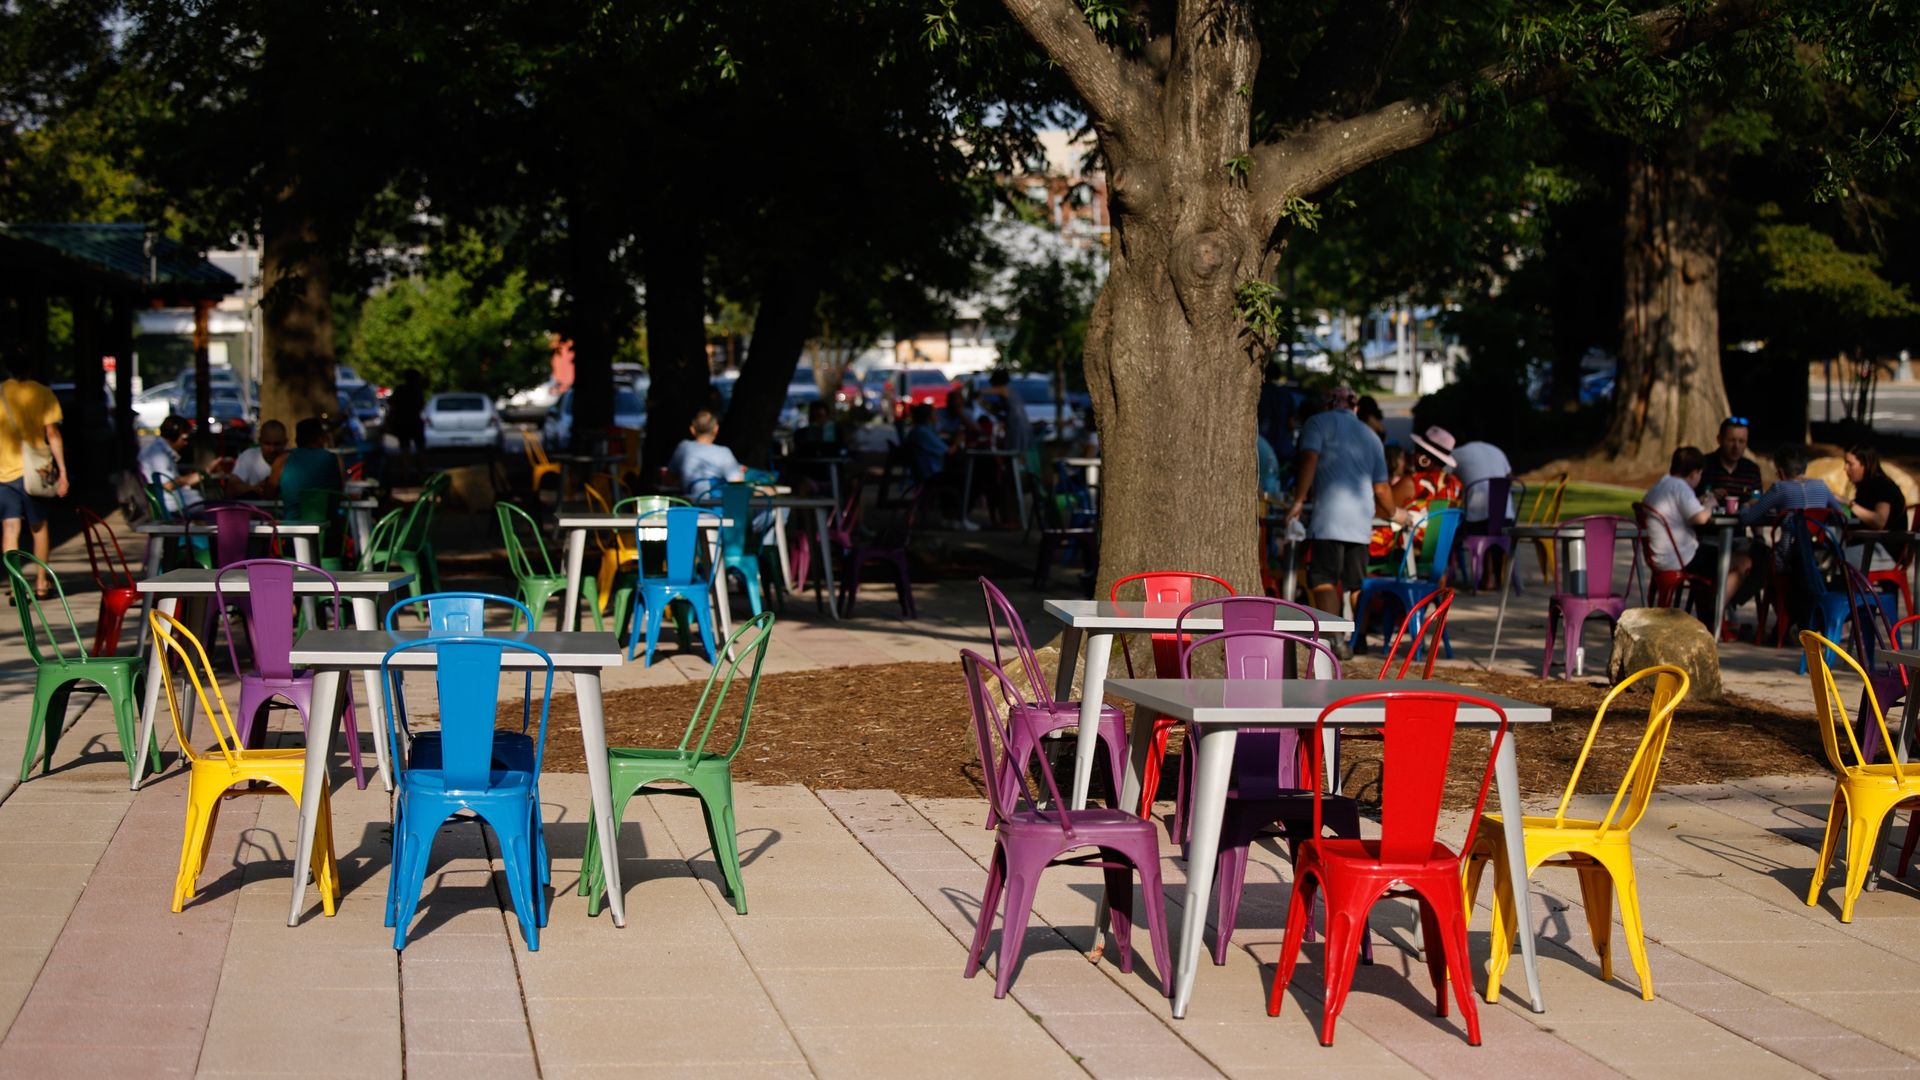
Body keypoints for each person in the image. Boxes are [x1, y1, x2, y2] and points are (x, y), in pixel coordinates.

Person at [1286, 386, 1399, 625]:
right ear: (1355, 408)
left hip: (1329, 519)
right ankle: (1360, 638)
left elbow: (1310, 458)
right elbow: (1381, 487)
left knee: (1323, 579)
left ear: (1327, 404)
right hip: (1361, 521)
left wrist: (1299, 499)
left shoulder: (1317, 423)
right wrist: (1395, 512)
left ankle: (1336, 639)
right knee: (1356, 584)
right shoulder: (1370, 436)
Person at [0, 353, 69, 598]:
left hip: (4, 472)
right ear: (30, 368)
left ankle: (16, 584)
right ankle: (41, 583)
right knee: (38, 528)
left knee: (10, 529)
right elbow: (52, 434)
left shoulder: (1, 392)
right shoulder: (43, 393)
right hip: (36, 472)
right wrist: (63, 471)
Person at [1645, 446, 1750, 605]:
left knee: (1718, 555)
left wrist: (1700, 501)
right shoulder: (1681, 487)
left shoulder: (1661, 484)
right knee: (1743, 562)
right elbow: (1700, 518)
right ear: (1694, 473)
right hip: (1681, 557)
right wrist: (1710, 504)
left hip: (1659, 556)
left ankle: (1712, 609)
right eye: (1700, 474)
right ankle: (1716, 613)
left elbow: (1680, 508)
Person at [1739, 444, 1847, 525]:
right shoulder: (1822, 486)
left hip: (1789, 552)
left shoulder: (1780, 488)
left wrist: (1746, 505)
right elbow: (1842, 518)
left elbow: (1747, 519)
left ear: (1781, 472)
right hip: (1817, 550)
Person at [1845, 444, 1907, 570]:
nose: (1845, 469)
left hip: (1885, 551)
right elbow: (1860, 522)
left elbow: (1879, 521)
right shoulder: (1865, 488)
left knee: (1830, 558)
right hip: (1870, 546)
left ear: (1865, 465)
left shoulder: (1882, 486)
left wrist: (1850, 504)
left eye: (1850, 464)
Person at [268, 417, 344, 513]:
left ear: (297, 440)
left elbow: (268, 494)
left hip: (292, 525)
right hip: (328, 525)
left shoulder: (282, 460)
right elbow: (341, 492)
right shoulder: (335, 459)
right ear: (321, 439)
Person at [667, 409, 747, 496]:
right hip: (715, 507)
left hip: (689, 506)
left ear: (692, 430)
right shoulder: (724, 453)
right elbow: (738, 485)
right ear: (716, 429)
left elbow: (669, 479)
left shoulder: (683, 447)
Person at [138, 414, 204, 514]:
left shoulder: (159, 450)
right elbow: (167, 485)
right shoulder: (158, 454)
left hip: (172, 502)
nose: (186, 443)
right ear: (174, 435)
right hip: (169, 506)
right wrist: (191, 479)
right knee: (207, 506)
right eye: (184, 438)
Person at [1447, 431, 1514, 528]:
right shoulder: (1496, 450)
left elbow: (1443, 478)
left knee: (1450, 523)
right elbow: (1509, 477)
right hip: (1505, 516)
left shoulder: (1456, 454)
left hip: (1474, 519)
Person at [1701, 416, 1763, 501]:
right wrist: (1708, 497)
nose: (1736, 446)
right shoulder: (1702, 465)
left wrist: (1754, 502)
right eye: (1731, 440)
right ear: (1719, 440)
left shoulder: (1752, 470)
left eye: (1741, 441)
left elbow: (1758, 498)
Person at [222, 419, 287, 497]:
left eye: (277, 444)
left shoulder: (293, 460)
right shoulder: (248, 456)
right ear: (260, 441)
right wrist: (254, 488)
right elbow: (231, 489)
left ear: (285, 442)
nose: (272, 449)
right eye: (267, 444)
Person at [978, 370, 1034, 451]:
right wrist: (982, 403)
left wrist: (977, 392)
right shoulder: (1008, 394)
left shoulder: (1004, 390)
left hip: (1017, 428)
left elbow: (995, 390)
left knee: (1015, 453)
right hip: (1015, 426)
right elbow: (995, 409)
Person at [385, 370, 426, 474]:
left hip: (402, 422)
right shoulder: (417, 390)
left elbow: (390, 402)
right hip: (414, 421)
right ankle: (419, 474)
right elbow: (421, 405)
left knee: (405, 449)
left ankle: (405, 475)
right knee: (419, 449)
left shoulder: (401, 389)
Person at [1406, 426, 1461, 504]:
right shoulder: (1456, 485)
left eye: (1417, 450)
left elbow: (1384, 512)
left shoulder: (1413, 482)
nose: (1413, 454)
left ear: (1425, 459)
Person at [1257, 362, 1295, 461]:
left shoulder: (1260, 392)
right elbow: (1291, 422)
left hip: (1262, 445)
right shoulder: (1285, 393)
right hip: (1283, 446)